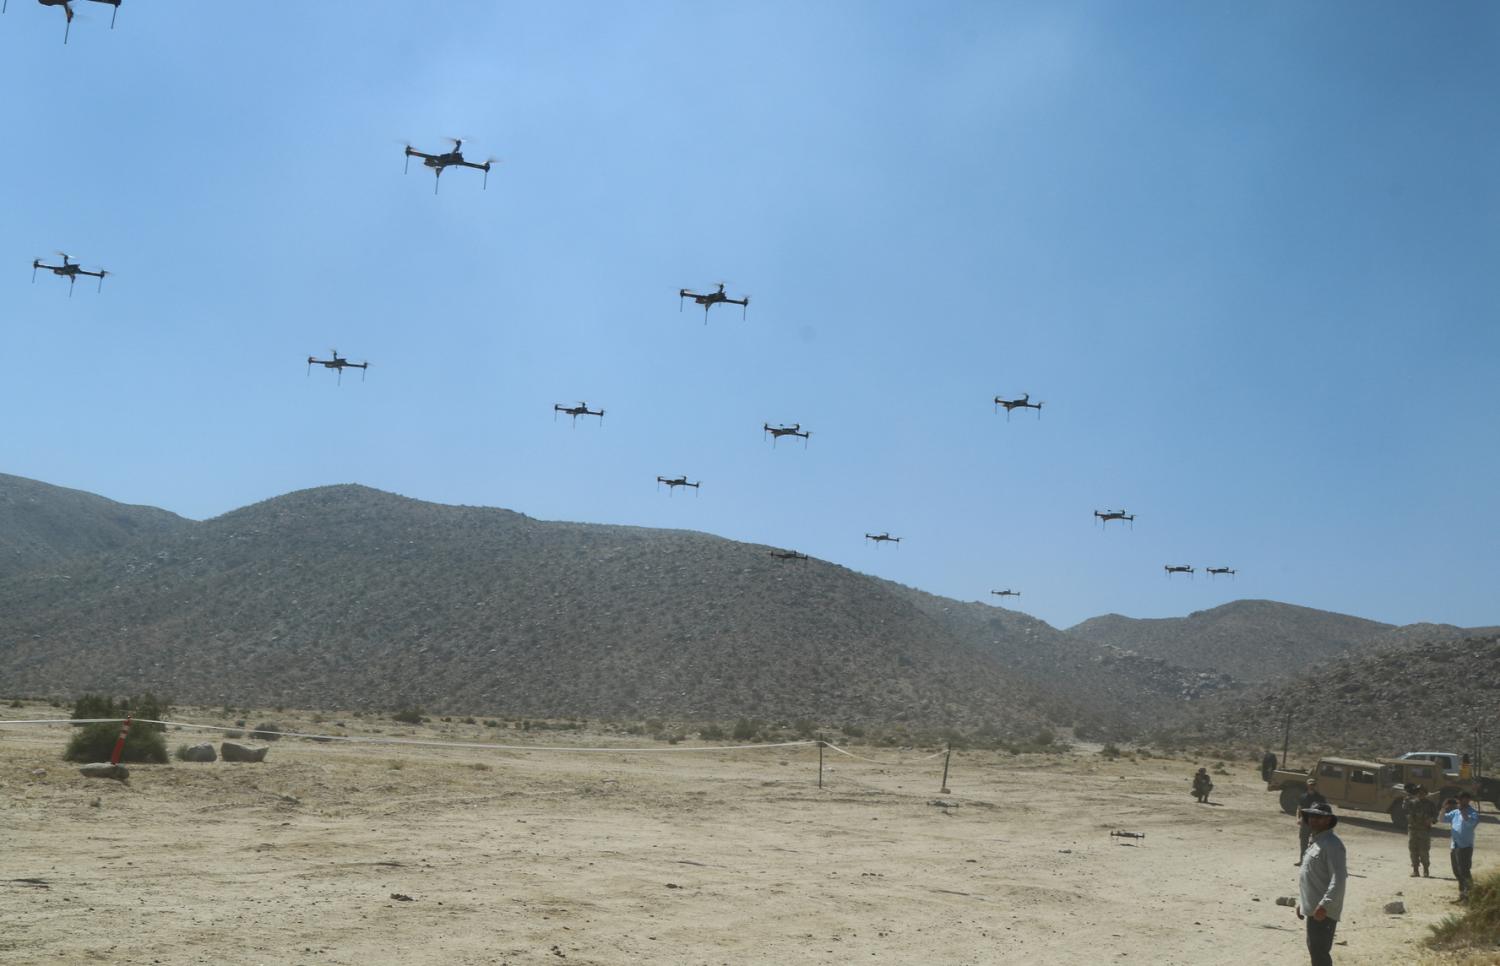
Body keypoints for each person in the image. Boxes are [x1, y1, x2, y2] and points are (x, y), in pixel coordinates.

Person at [1296, 801, 1346, 966]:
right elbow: (1309, 876)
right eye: (1311, 816)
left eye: (1319, 817)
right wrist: (1301, 901)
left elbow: (1338, 879)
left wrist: (1325, 905)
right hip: (1314, 908)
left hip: (1323, 911)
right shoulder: (1316, 842)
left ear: (1327, 820)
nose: (1313, 820)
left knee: (1319, 953)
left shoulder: (1332, 845)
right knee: (1315, 950)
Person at [1440, 791, 1479, 902]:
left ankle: (1470, 895)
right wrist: (1443, 808)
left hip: (1465, 846)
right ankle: (1462, 895)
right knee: (1457, 871)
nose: (1460, 801)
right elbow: (1441, 819)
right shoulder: (1455, 812)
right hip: (1455, 845)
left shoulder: (1473, 813)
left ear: (1468, 800)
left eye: (1462, 799)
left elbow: (1470, 823)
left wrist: (1462, 811)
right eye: (1459, 799)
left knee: (1465, 871)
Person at [1403, 784, 1438, 877]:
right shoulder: (1411, 802)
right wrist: (1407, 797)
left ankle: (1426, 870)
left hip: (1424, 830)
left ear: (1425, 793)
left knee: (1424, 851)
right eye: (1418, 792)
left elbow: (1435, 817)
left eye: (1422, 792)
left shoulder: (1430, 804)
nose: (1420, 794)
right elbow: (1404, 808)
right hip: (1413, 829)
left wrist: (1430, 819)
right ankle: (1415, 870)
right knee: (1413, 850)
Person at [1296, 777, 1327, 865]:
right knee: (1303, 842)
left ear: (1315, 786)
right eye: (1310, 785)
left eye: (1313, 785)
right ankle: (1302, 860)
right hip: (1305, 822)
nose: (1312, 786)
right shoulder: (1303, 796)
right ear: (1307, 785)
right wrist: (1298, 819)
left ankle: (1314, 862)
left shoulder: (1320, 798)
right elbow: (1299, 809)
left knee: (1316, 843)